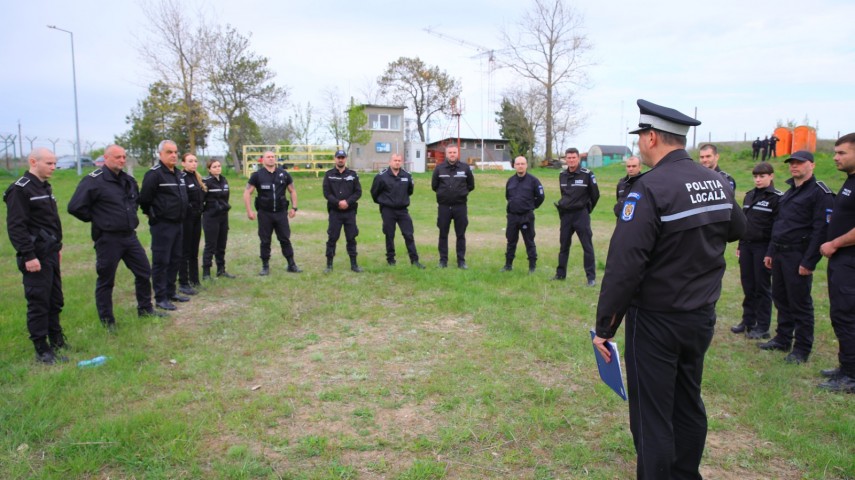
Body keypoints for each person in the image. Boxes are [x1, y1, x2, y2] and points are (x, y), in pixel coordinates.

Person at [593, 99, 746, 479]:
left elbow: (624, 266)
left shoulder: (649, 188)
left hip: (657, 320)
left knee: (652, 414)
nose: (639, 146)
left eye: (640, 138)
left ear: (652, 137)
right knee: (687, 402)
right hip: (700, 315)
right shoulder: (716, 181)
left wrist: (605, 327)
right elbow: (738, 228)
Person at [68, 144, 162, 333]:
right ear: (106, 158)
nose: (122, 160)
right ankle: (107, 320)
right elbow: (75, 207)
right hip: (108, 239)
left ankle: (145, 309)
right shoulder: (94, 180)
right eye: (117, 157)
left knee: (144, 272)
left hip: (129, 236)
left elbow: (134, 201)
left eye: (124, 157)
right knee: (106, 279)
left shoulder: (128, 180)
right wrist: (99, 218)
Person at [759, 150, 834, 364]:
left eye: (799, 163)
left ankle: (802, 348)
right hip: (780, 252)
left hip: (798, 254)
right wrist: (771, 252)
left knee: (800, 302)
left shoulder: (820, 193)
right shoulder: (789, 192)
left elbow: (821, 230)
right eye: (792, 163)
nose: (794, 166)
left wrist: (808, 261)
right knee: (781, 298)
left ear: (812, 165)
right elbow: (780, 224)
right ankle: (783, 339)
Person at [4, 148, 69, 363]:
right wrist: (28, 255)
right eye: (49, 163)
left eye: (54, 163)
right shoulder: (20, 190)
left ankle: (57, 340)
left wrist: (57, 248)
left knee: (55, 299)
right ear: (33, 161)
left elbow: (49, 223)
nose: (53, 167)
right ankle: (42, 349)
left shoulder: (43, 186)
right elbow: (16, 227)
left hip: (50, 252)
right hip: (35, 256)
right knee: (38, 302)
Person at [818, 133, 855, 393]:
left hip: (849, 261)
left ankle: (851, 376)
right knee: (840, 315)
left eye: (841, 152)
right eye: (835, 152)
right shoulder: (849, 181)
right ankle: (845, 366)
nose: (835, 157)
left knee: (847, 316)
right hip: (841, 261)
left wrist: (835, 243)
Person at [730, 162, 782, 339]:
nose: (758, 180)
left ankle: (762, 326)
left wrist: (771, 252)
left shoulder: (776, 198)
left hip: (763, 247)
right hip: (747, 246)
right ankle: (748, 321)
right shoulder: (749, 196)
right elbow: (745, 222)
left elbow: (777, 228)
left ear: (771, 176)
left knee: (762, 287)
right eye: (756, 176)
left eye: (762, 176)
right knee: (748, 285)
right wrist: (740, 244)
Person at [140, 140, 190, 311]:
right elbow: (145, 199)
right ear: (160, 154)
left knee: (175, 259)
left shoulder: (178, 174)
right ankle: (160, 297)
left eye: (175, 152)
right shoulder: (154, 174)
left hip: (178, 224)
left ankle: (171, 292)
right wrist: (153, 215)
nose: (174, 155)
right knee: (161, 261)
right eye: (169, 152)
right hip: (163, 225)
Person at [244, 150, 301, 276]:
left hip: (281, 213)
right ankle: (265, 266)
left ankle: (291, 264)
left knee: (285, 239)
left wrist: (294, 207)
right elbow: (247, 192)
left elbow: (292, 190)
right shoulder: (257, 175)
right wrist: (249, 211)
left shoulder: (284, 174)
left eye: (273, 157)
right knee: (265, 240)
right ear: (263, 160)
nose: (271, 159)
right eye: (268, 157)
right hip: (265, 214)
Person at [553, 147, 599, 285]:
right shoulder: (562, 175)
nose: (571, 160)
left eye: (574, 157)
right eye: (569, 158)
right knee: (564, 246)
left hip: (581, 215)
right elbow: (564, 194)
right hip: (566, 216)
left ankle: (591, 278)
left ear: (578, 158)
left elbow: (595, 195)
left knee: (587, 246)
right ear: (565, 159)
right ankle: (560, 274)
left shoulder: (587, 174)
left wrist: (586, 210)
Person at [370, 153, 425, 268]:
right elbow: (374, 193)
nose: (397, 162)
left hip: (403, 210)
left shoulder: (407, 175)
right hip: (388, 210)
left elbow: (410, 191)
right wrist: (384, 202)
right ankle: (391, 260)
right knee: (389, 235)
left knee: (408, 234)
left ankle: (414, 261)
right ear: (390, 162)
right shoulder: (381, 176)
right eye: (395, 160)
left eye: (399, 160)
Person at [431, 144, 475, 269]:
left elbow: (471, 185)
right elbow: (434, 186)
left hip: (460, 207)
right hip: (444, 207)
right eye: (450, 152)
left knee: (460, 234)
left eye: (454, 152)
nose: (452, 154)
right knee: (443, 234)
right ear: (446, 154)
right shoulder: (439, 169)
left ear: (457, 153)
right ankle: (443, 261)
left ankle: (461, 261)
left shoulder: (465, 168)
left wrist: (460, 194)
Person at [501, 156, 545, 273]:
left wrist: (531, 207)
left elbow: (540, 197)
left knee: (529, 241)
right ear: (514, 166)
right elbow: (507, 196)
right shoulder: (510, 181)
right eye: (518, 164)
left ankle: (532, 267)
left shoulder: (533, 181)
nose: (520, 166)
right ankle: (508, 265)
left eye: (522, 164)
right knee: (511, 241)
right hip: (512, 216)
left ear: (526, 165)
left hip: (526, 216)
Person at [323, 149, 363, 273]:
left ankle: (354, 264)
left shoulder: (352, 174)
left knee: (351, 237)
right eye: (338, 157)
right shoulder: (329, 174)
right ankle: (329, 265)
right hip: (335, 212)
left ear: (346, 159)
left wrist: (347, 202)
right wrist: (338, 202)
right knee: (332, 238)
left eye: (343, 157)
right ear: (335, 159)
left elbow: (358, 192)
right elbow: (326, 193)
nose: (340, 159)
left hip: (349, 212)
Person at [201, 159, 234, 280]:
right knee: (210, 245)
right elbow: (201, 200)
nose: (217, 168)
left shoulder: (224, 180)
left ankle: (221, 269)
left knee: (221, 244)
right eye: (214, 167)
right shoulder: (206, 182)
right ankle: (206, 272)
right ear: (209, 169)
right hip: (211, 217)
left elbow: (226, 198)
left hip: (223, 216)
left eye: (219, 166)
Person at [178, 153, 206, 295]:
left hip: (197, 218)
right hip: (187, 219)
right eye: (190, 161)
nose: (193, 163)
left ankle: (195, 280)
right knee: (185, 250)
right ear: (183, 163)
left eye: (195, 161)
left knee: (194, 251)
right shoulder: (181, 178)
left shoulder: (197, 178)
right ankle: (183, 281)